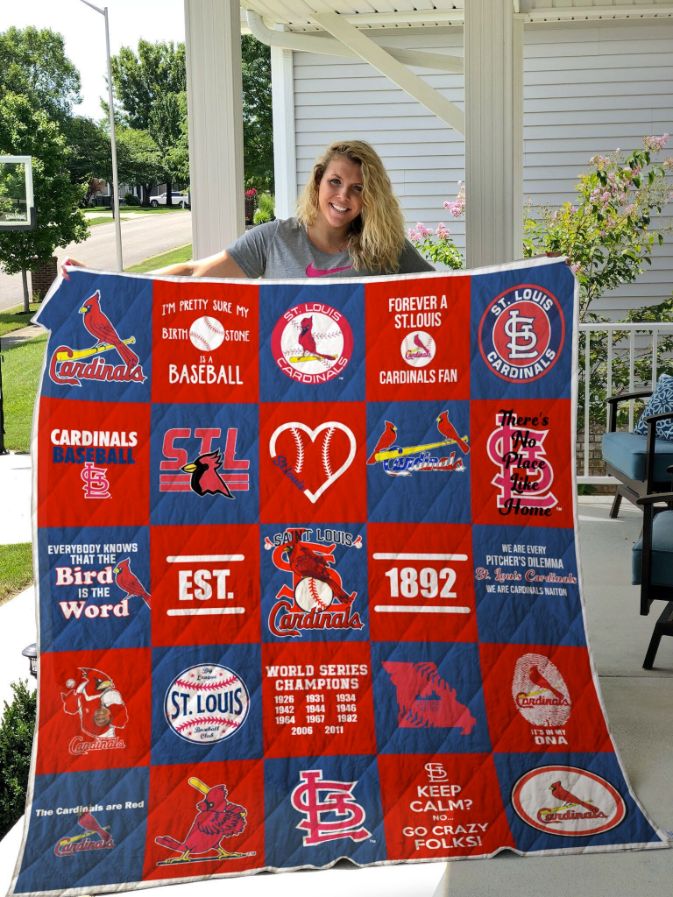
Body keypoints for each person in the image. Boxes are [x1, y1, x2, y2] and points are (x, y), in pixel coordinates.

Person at [159, 140, 434, 280]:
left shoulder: (386, 248)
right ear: (318, 182)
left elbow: (447, 293)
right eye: (335, 182)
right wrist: (124, 287)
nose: (343, 195)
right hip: (287, 384)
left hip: (358, 387)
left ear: (371, 198)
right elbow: (195, 273)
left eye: (358, 188)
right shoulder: (273, 239)